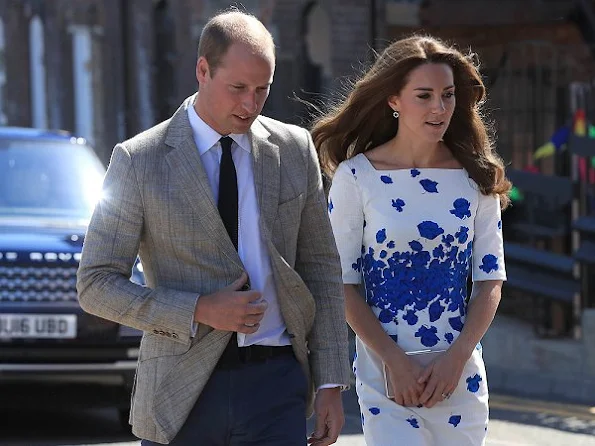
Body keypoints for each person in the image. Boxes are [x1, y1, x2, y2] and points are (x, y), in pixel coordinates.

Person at [77, 9, 350, 446]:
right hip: (179, 392)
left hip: (276, 383)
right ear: (202, 70)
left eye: (263, 89)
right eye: (238, 88)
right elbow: (95, 284)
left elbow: (320, 266)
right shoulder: (139, 159)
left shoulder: (294, 149)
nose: (250, 104)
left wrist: (331, 381)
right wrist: (198, 309)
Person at [312, 35, 511, 445]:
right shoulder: (356, 177)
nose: (439, 108)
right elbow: (341, 283)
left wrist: (456, 360)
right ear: (393, 100)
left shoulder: (477, 178)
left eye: (448, 95)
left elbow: (490, 281)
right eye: (424, 95)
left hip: (459, 376)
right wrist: (393, 361)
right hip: (386, 376)